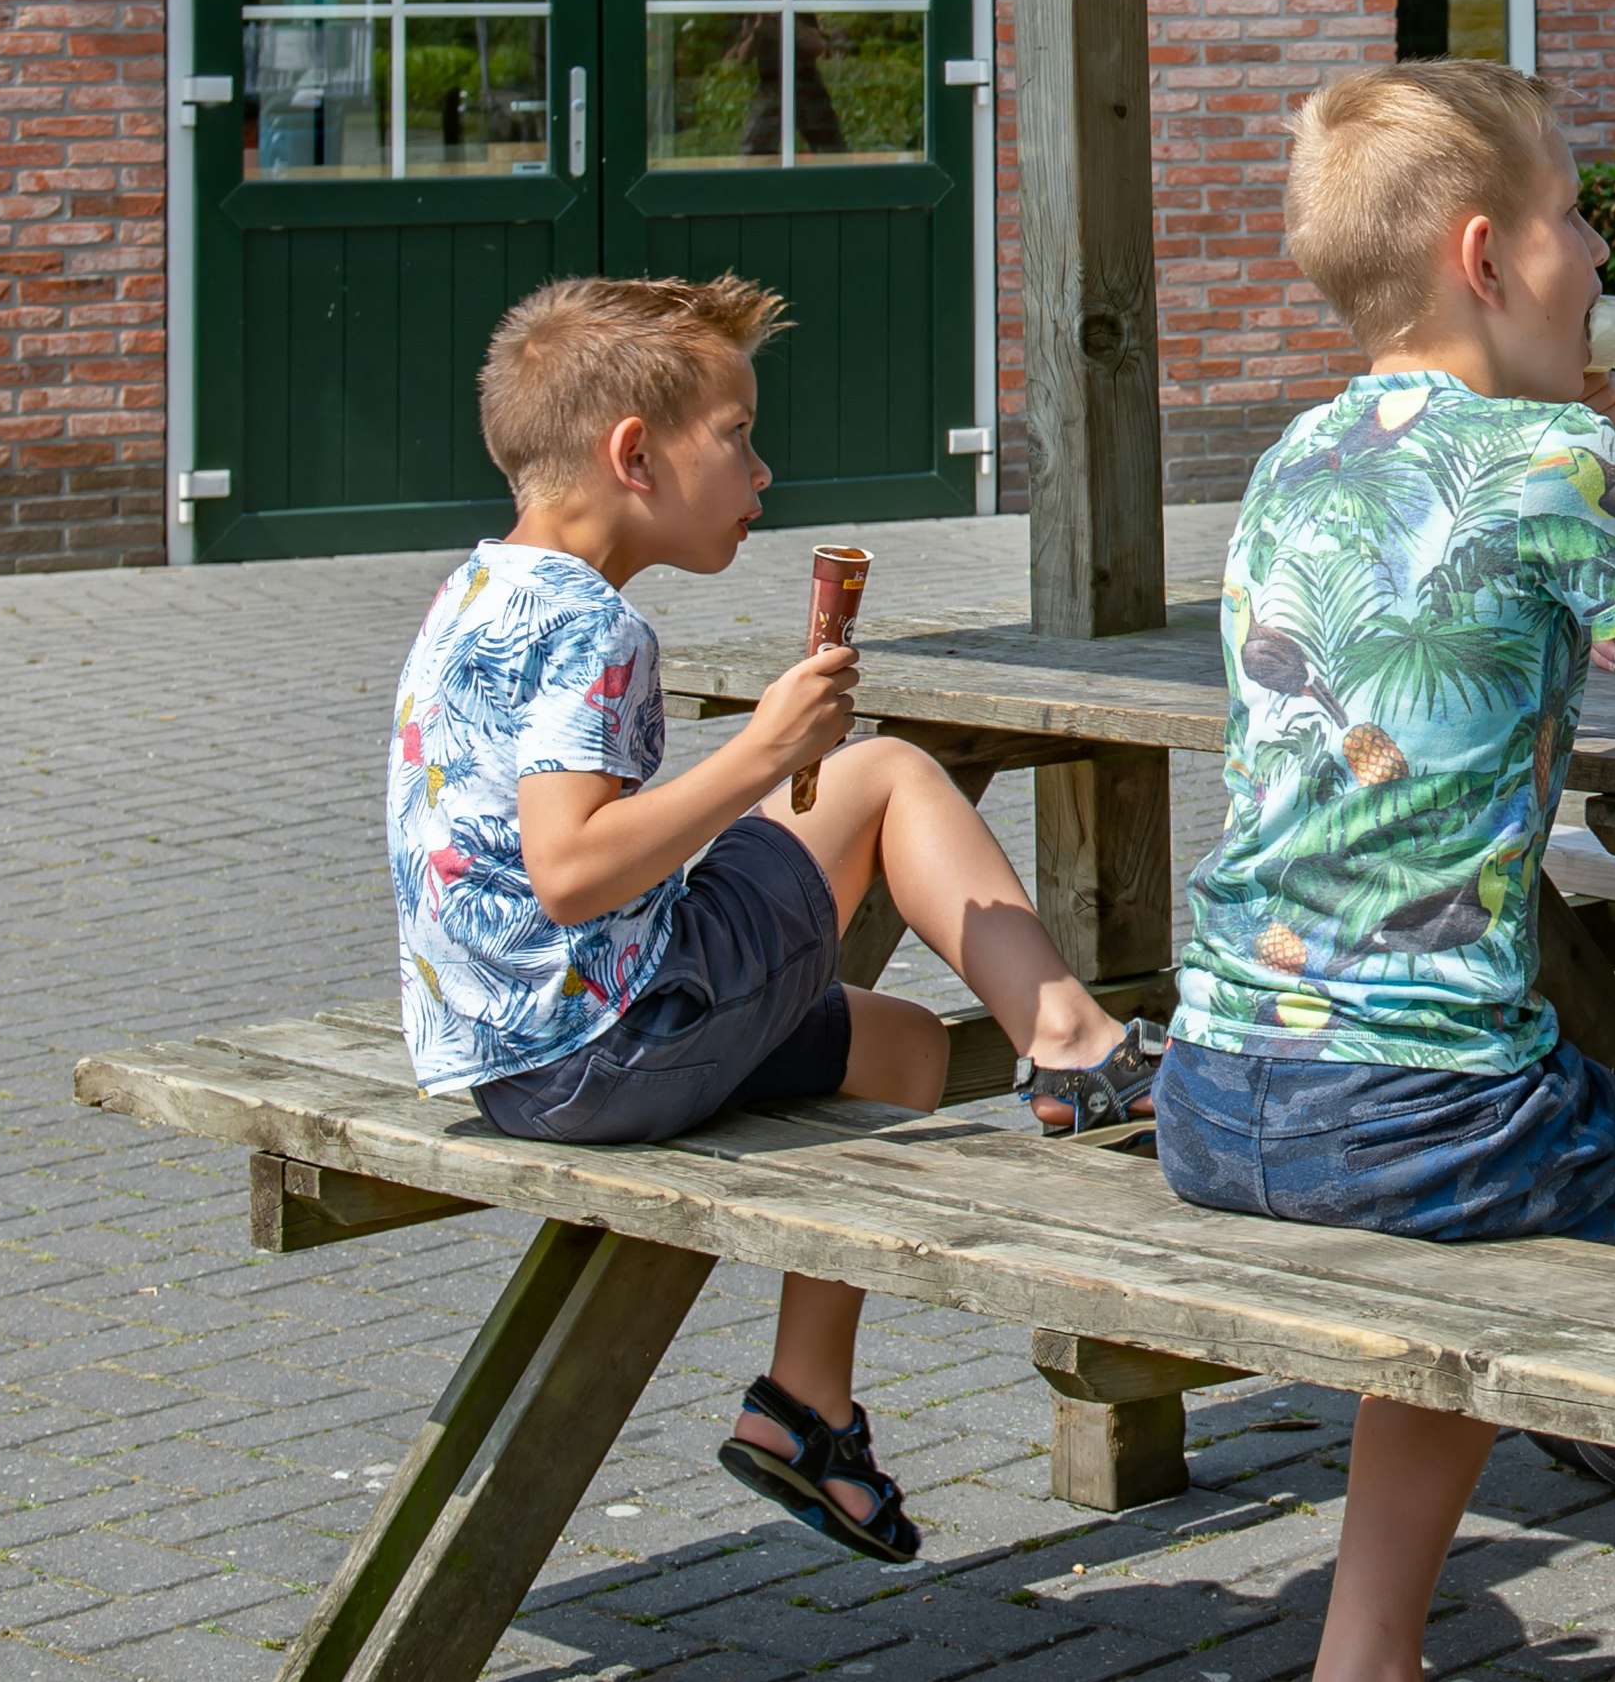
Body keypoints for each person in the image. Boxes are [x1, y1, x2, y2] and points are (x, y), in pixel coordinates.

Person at [1156, 60, 1615, 1682]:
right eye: (1572, 214)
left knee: (1449, 1274)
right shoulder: (1562, 466)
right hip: (1425, 1112)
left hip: (1217, 1087)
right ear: (1486, 257)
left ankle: (1365, 1654)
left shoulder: (1292, 460)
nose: (1602, 250)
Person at [388, 273, 1163, 1563]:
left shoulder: (472, 595)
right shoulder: (599, 630)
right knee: (888, 773)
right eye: (737, 433)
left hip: (509, 1058)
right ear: (634, 455)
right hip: (613, 1042)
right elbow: (572, 870)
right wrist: (763, 753)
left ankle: (806, 1407)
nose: (762, 468)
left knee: (902, 1046)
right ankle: (1076, 1047)